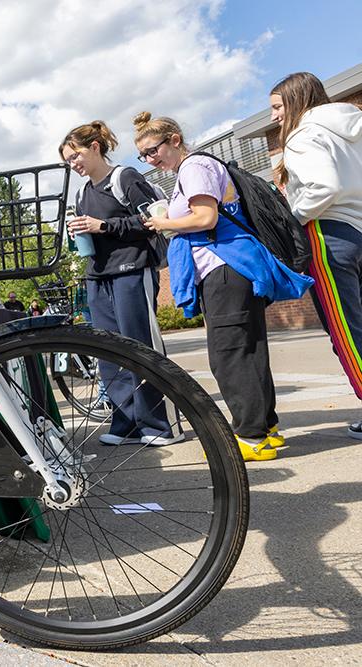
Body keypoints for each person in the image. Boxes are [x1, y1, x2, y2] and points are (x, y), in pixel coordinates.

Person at [134, 112, 313, 461]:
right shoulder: (198, 166)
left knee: (229, 355)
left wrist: (164, 223)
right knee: (249, 351)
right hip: (237, 267)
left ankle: (251, 436)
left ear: (174, 139)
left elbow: (205, 218)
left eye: (153, 150)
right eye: (144, 155)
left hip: (224, 267)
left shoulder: (194, 167)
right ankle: (265, 428)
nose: (150, 159)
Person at [59, 120, 179, 446]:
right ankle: (125, 423)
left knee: (140, 346)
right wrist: (82, 232)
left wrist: (104, 226)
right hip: (98, 275)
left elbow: (152, 220)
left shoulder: (123, 177)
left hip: (132, 270)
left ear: (95, 147)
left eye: (76, 156)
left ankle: (158, 425)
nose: (74, 164)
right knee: (108, 351)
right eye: (68, 161)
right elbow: (96, 230)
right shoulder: (83, 192)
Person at [270, 72, 362, 439]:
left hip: (327, 234)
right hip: (358, 229)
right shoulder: (351, 128)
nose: (275, 116)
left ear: (296, 101)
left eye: (278, 107)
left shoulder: (302, 136)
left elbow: (325, 185)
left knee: (348, 331)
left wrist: (293, 217)